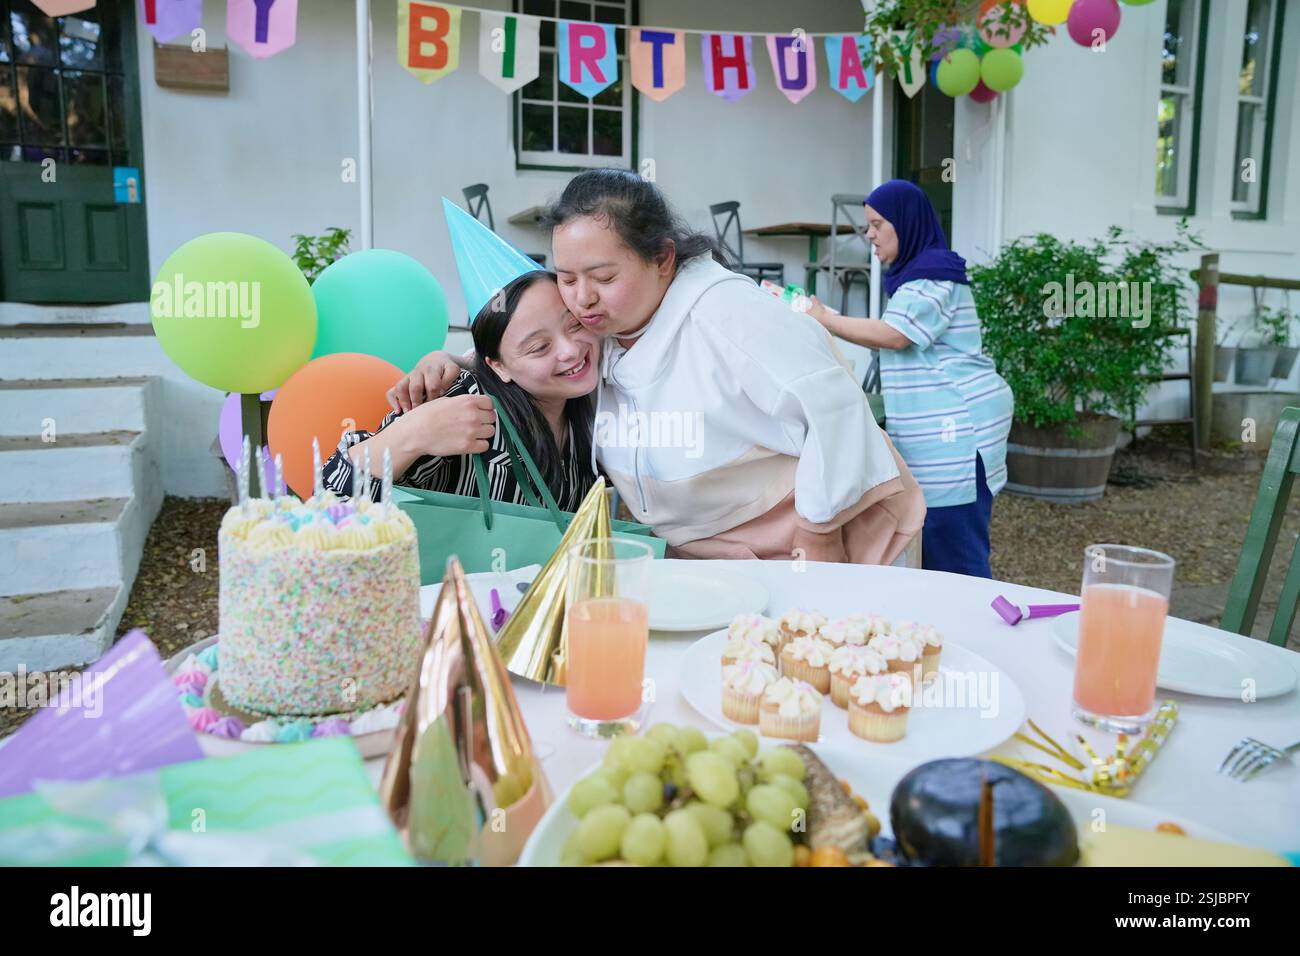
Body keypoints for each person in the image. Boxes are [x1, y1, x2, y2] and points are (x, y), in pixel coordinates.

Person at [396, 169, 924, 565]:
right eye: (567, 278)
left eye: (603, 276)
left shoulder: (729, 314)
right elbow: (521, 350)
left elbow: (833, 407)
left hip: (802, 547)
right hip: (704, 557)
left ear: (663, 258)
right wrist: (451, 360)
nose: (582, 299)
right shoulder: (604, 327)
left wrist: (819, 535)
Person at [803, 179, 1013, 578]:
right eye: (868, 225)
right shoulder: (917, 276)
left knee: (956, 552)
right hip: (941, 431)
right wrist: (828, 319)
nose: (870, 234)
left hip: (957, 432)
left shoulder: (935, 276)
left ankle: (977, 616)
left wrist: (825, 320)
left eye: (878, 224)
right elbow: (894, 329)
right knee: (933, 541)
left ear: (906, 222)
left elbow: (895, 335)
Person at [322, 271, 600, 509]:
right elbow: (330, 501)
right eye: (539, 347)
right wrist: (412, 433)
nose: (571, 350)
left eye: (575, 324)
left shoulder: (595, 400)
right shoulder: (459, 398)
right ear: (498, 366)